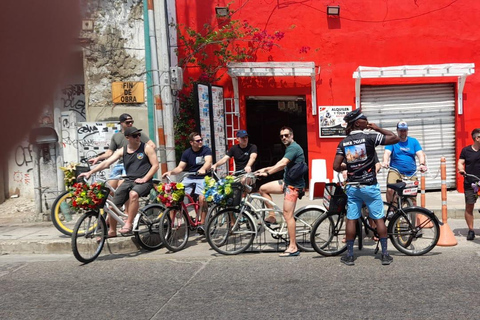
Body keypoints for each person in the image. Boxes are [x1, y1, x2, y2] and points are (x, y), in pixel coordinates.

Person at [333, 109, 399, 266]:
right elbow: (394, 138)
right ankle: (384, 254)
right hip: (370, 186)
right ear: (357, 123)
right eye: (364, 120)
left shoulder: (344, 143)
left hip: (353, 188)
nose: (367, 122)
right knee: (378, 218)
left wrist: (349, 166)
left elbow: (336, 166)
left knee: (351, 219)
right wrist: (376, 128)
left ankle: (349, 255)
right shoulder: (369, 137)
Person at [78, 127, 159, 236]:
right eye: (135, 136)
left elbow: (155, 166)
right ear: (127, 138)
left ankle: (128, 224)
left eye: (139, 135)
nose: (138, 137)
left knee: (133, 194)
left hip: (145, 182)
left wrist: (145, 178)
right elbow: (107, 163)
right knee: (112, 206)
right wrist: (90, 172)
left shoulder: (147, 148)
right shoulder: (122, 150)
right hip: (129, 180)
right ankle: (112, 231)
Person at [256, 126, 306, 257]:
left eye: (286, 135)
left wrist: (268, 173)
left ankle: (293, 247)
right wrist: (265, 169)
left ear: (292, 135)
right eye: (282, 136)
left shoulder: (294, 148)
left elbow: (283, 164)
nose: (284, 137)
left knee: (287, 215)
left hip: (293, 187)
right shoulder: (289, 148)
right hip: (286, 183)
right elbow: (280, 163)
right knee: (262, 189)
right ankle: (272, 216)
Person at [162, 132, 212, 233]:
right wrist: (170, 172)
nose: (200, 142)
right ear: (191, 143)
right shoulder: (187, 153)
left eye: (201, 140)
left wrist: (203, 169)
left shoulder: (206, 150)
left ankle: (202, 224)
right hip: (190, 177)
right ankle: (170, 223)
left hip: (203, 177)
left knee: (202, 198)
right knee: (174, 195)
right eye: (198, 141)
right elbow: (180, 168)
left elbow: (208, 162)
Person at [89, 113, 156, 189]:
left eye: (131, 122)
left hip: (131, 165)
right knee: (110, 188)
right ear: (121, 123)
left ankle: (126, 199)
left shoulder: (137, 134)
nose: (130, 124)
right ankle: (118, 200)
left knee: (123, 187)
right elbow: (109, 153)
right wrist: (98, 158)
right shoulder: (116, 136)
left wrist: (140, 157)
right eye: (127, 122)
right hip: (120, 164)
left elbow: (152, 145)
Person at [382, 121, 427, 206]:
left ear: (407, 130)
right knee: (390, 189)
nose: (403, 132)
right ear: (397, 130)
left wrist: (422, 164)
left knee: (412, 197)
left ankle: (412, 214)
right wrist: (385, 161)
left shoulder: (413, 141)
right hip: (395, 171)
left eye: (404, 130)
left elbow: (420, 154)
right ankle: (392, 209)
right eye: (401, 130)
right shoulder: (393, 141)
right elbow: (387, 153)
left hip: (411, 172)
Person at [457, 128, 480, 240]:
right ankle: (471, 230)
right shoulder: (466, 151)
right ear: (477, 138)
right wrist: (461, 170)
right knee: (469, 206)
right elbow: (460, 163)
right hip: (471, 181)